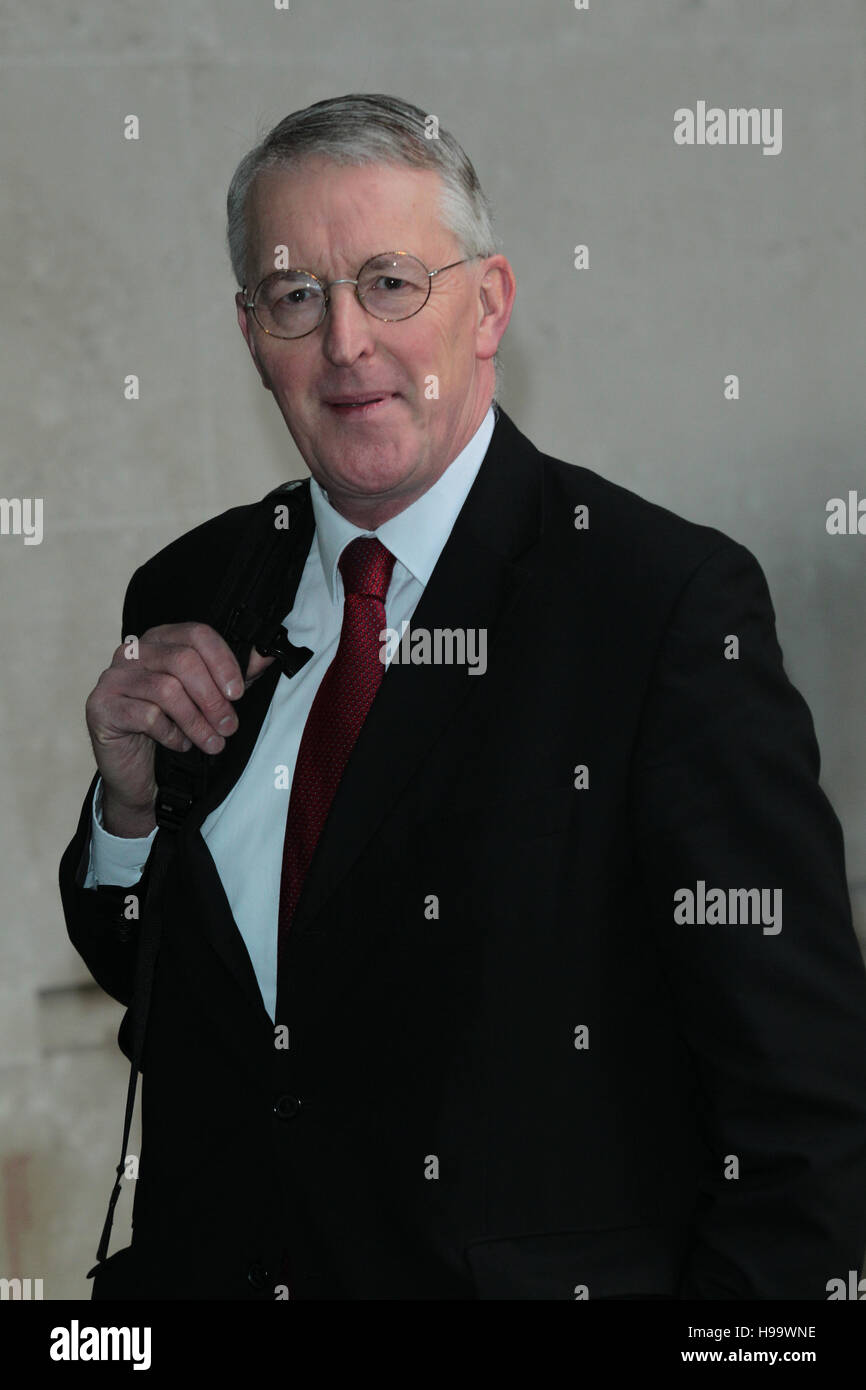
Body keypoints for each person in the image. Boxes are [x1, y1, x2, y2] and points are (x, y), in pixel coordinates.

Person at [59, 92, 866, 1301]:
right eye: (295, 297)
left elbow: (803, 1105)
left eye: (389, 282)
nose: (344, 343)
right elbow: (187, 995)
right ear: (248, 334)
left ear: (486, 304)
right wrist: (124, 822)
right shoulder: (192, 587)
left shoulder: (657, 608)